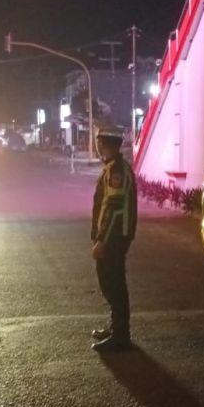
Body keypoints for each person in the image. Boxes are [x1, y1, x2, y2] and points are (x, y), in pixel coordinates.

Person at [90, 125, 138, 351]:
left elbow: (115, 207)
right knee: (108, 281)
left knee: (114, 284)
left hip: (115, 237)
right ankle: (116, 327)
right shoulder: (112, 167)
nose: (97, 146)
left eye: (99, 142)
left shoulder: (116, 170)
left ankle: (121, 335)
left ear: (104, 144)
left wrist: (102, 240)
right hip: (113, 235)